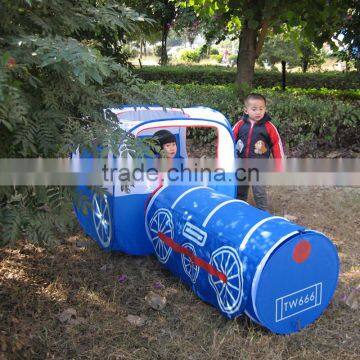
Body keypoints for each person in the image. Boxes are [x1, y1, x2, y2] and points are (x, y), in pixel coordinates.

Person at [232, 93, 285, 210]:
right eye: (254, 109)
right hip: (241, 165)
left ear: (265, 109)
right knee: (240, 189)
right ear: (246, 110)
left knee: (259, 190)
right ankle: (239, 208)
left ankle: (262, 211)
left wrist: (279, 164)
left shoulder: (269, 127)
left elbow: (276, 144)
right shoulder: (239, 125)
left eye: (261, 109)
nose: (258, 112)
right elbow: (229, 140)